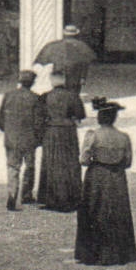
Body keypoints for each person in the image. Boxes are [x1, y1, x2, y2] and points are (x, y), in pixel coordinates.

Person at [74, 98, 136, 266]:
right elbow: (128, 162)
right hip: (117, 178)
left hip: (97, 177)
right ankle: (119, 251)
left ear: (99, 118)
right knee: (117, 212)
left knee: (94, 210)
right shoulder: (124, 137)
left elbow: (83, 160)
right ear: (114, 118)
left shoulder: (93, 135)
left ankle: (93, 252)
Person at [0, 69, 47, 210]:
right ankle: (26, 195)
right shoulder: (35, 98)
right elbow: (38, 122)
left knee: (13, 167)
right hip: (29, 138)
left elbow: (0, 119)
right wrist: (39, 138)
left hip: (11, 138)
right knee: (29, 166)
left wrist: (8, 131)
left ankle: (12, 195)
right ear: (32, 83)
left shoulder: (8, 96)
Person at [36, 70, 85, 212]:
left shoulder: (45, 97)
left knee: (51, 163)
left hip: (51, 131)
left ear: (52, 81)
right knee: (70, 163)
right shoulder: (73, 96)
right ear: (63, 80)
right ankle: (72, 197)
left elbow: (39, 117)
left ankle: (51, 198)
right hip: (68, 131)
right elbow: (80, 114)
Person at [34, 24, 96, 95]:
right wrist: (83, 77)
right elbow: (84, 63)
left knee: (60, 95)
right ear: (76, 34)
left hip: (59, 77)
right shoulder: (81, 46)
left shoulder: (55, 46)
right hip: (75, 77)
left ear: (64, 34)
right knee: (73, 95)